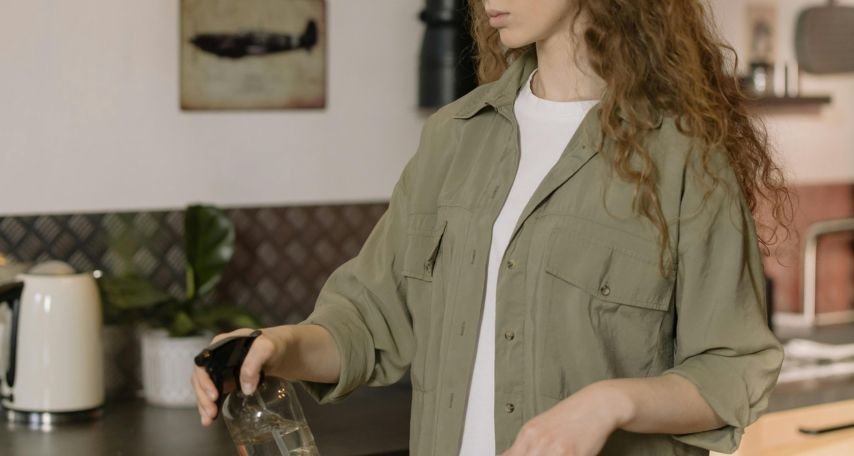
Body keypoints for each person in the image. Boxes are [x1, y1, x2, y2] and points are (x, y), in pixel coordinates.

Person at [193, 1, 792, 454]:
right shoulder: (455, 136)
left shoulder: (683, 154)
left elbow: (732, 365)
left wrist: (612, 402)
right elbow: (370, 321)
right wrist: (278, 346)